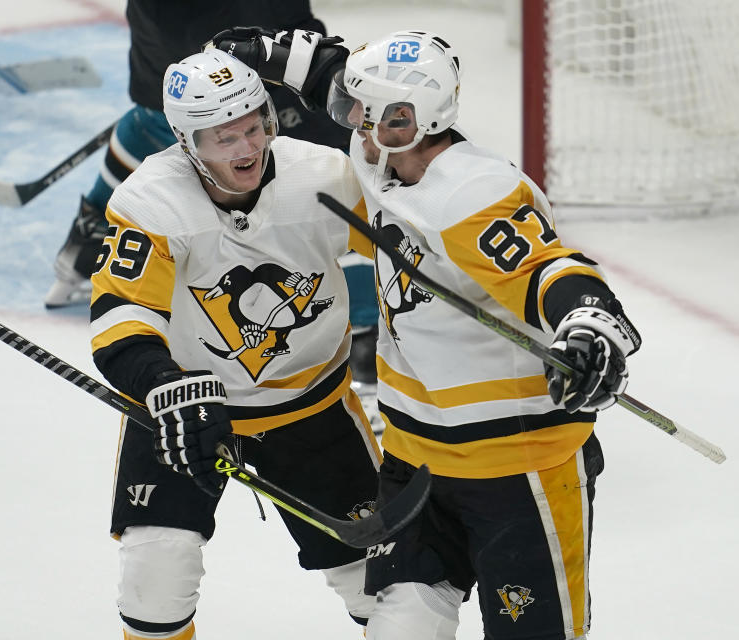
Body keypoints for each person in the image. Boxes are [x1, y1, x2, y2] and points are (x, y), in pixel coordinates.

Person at [211, 28, 643, 639]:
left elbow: (547, 270)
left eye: (369, 114)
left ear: (408, 119)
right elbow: (334, 72)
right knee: (399, 626)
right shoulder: (380, 152)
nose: (353, 122)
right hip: (415, 462)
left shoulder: (474, 194)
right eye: (354, 110)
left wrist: (592, 327)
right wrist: (267, 54)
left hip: (514, 469)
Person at [89, 49, 382, 640]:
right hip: (184, 410)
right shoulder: (150, 201)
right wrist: (165, 386)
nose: (246, 149)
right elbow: (119, 318)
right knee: (154, 575)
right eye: (224, 139)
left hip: (311, 406)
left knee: (379, 583)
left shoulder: (326, 178)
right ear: (187, 141)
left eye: (253, 127)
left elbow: (414, 251)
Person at [45, 0, 382, 426]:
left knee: (168, 113)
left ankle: (86, 237)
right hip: (232, 25)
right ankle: (367, 349)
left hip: (184, 27)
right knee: (313, 171)